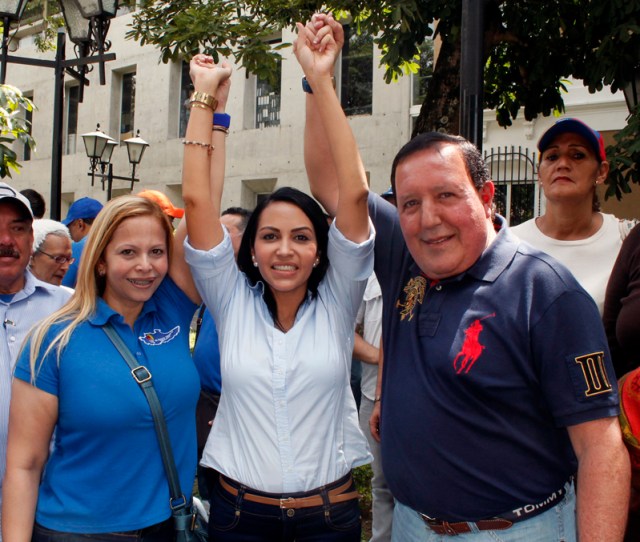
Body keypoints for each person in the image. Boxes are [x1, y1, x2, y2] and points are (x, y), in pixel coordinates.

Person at [304, 16, 629, 541]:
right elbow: (333, 184)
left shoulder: (546, 291)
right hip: (412, 525)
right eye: (409, 203)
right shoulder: (405, 255)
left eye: (446, 196)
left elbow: (601, 448)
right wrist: (317, 82)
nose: (427, 217)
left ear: (486, 195)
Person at [181, 24, 373, 541]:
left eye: (301, 238)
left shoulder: (337, 302)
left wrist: (321, 81)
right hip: (240, 518)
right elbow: (198, 202)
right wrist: (207, 100)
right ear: (251, 249)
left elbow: (354, 196)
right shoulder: (231, 301)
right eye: (269, 236)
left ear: (320, 252)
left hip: (329, 519)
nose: (285, 250)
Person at [2, 195, 202, 541]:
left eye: (157, 252)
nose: (146, 265)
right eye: (127, 252)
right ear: (101, 262)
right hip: (78, 532)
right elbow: (25, 465)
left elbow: (200, 203)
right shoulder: (53, 340)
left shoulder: (173, 308)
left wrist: (211, 137)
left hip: (169, 526)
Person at [0, 183, 71, 541]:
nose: (6, 240)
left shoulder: (72, 309)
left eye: (17, 228)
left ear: (31, 237)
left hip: (56, 512)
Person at [510, 118, 636, 314]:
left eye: (577, 155)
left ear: (601, 172)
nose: (562, 164)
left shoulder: (626, 241)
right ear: (539, 173)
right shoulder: (508, 243)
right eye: (552, 157)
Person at [192, 206, 250, 501]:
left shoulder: (258, 288)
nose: (218, 241)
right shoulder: (213, 283)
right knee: (206, 487)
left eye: (225, 234)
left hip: (236, 407)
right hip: (205, 403)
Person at [353, 273, 393, 542]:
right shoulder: (369, 279)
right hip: (372, 396)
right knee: (381, 485)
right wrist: (385, 357)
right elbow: (345, 330)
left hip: (419, 399)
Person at [61, 196, 103, 288]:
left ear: (80, 224)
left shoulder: (74, 249)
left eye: (69, 227)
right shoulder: (116, 245)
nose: (69, 232)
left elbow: (63, 288)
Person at [29, 219, 74, 287]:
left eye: (68, 259)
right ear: (31, 257)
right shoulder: (11, 295)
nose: (65, 267)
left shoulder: (70, 296)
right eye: (58, 259)